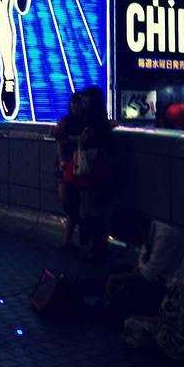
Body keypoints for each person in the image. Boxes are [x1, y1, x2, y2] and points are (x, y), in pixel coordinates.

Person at [103, 209, 184, 325]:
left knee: (124, 300)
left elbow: (148, 274)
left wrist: (116, 278)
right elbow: (142, 266)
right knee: (119, 273)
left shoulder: (164, 237)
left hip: (169, 288)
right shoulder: (148, 234)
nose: (132, 242)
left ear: (137, 230)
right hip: (156, 279)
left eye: (130, 239)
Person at [72, 86, 113, 262]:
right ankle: (97, 246)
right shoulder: (101, 120)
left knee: (90, 206)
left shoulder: (90, 121)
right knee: (93, 206)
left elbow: (84, 140)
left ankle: (96, 247)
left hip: (91, 166)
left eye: (86, 97)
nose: (83, 100)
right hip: (98, 164)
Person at [53, 92, 84, 250]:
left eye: (77, 103)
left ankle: (69, 239)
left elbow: (59, 139)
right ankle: (72, 238)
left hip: (76, 165)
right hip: (68, 164)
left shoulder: (80, 122)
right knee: (68, 202)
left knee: (74, 203)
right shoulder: (66, 121)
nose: (75, 106)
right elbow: (59, 141)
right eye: (73, 103)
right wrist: (62, 161)